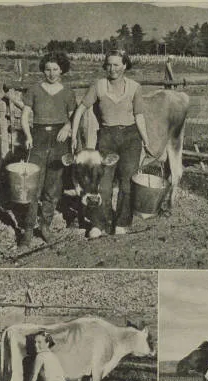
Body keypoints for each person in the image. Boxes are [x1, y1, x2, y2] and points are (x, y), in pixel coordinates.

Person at [71, 50, 154, 239]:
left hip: (131, 137)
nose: (112, 68)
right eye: (109, 64)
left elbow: (139, 115)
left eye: (117, 64)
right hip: (107, 137)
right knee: (103, 183)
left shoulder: (134, 87)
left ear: (125, 65)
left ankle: (122, 223)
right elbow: (80, 109)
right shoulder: (99, 86)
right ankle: (99, 224)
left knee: (127, 182)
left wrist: (146, 141)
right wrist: (74, 135)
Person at [20, 51, 77, 247]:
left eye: (55, 69)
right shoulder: (34, 90)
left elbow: (73, 117)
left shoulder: (68, 92)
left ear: (62, 70)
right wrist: (28, 136)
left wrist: (68, 127)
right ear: (43, 70)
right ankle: (28, 229)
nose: (51, 73)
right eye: (47, 69)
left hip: (59, 141)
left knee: (53, 187)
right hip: (38, 137)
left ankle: (45, 226)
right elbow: (25, 115)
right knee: (33, 186)